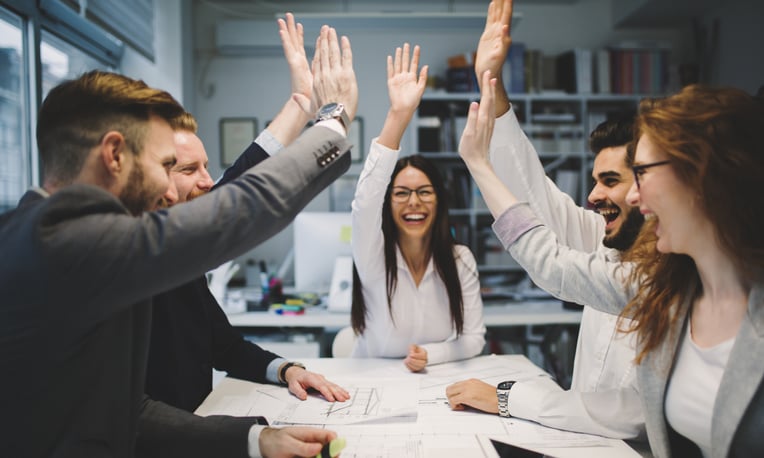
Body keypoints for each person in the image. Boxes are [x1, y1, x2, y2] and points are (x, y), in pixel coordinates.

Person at [0, 23, 357, 458]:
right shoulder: (65, 242)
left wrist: (256, 440)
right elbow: (245, 204)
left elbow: (121, 412)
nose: (171, 192)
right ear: (114, 156)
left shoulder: (47, 234)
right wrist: (333, 120)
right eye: (165, 164)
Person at [459, 71, 764, 457]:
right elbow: (537, 207)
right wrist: (493, 88)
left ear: (700, 179)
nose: (635, 196)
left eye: (641, 175)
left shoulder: (675, 285)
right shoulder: (668, 288)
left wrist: (479, 164)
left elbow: (550, 262)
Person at [446, 0, 645, 441]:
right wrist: (491, 84)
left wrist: (506, 398)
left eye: (609, 180)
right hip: (575, 441)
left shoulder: (671, 272)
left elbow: (633, 416)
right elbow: (535, 194)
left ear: (646, 185)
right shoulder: (606, 238)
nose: (593, 196)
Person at [145, 13, 350, 416]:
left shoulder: (178, 259)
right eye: (189, 170)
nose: (208, 183)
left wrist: (286, 369)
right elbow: (241, 194)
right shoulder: (145, 258)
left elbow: (223, 346)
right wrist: (332, 120)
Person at [350, 43, 486, 372]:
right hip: (373, 382)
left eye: (425, 192)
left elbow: (474, 337)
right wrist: (399, 116)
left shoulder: (460, 259)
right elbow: (365, 202)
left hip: (432, 381)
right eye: (401, 193)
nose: (414, 202)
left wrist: (431, 355)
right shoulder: (372, 254)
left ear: (439, 200)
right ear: (389, 202)